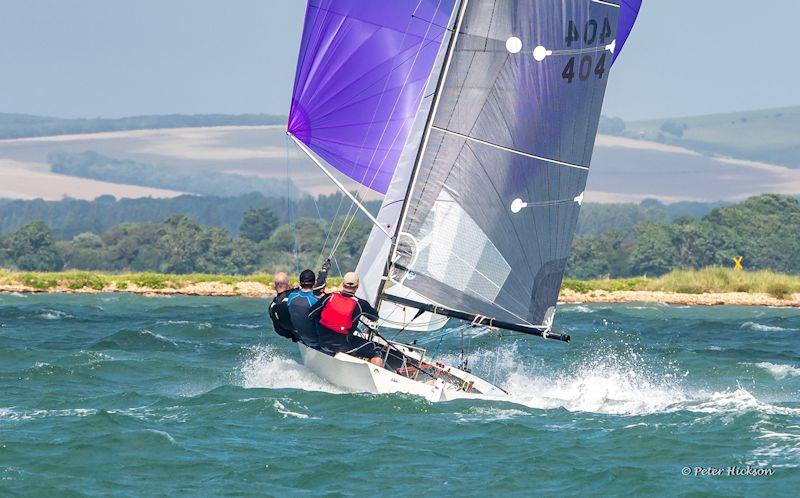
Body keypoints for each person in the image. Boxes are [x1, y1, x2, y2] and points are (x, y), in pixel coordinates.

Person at [309, 272, 384, 367]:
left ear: (343, 284)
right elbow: (375, 317)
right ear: (357, 286)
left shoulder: (329, 297)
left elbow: (311, 314)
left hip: (322, 342)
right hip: (343, 346)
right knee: (375, 349)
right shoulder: (360, 304)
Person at [287, 260, 330, 348]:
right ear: (314, 283)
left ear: (299, 283)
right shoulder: (317, 300)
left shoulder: (291, 297)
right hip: (317, 343)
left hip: (303, 339)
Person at [268, 272, 299, 342]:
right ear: (289, 284)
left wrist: (292, 335)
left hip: (295, 335)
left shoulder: (272, 306)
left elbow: (279, 330)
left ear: (274, 286)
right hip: (309, 332)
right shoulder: (296, 294)